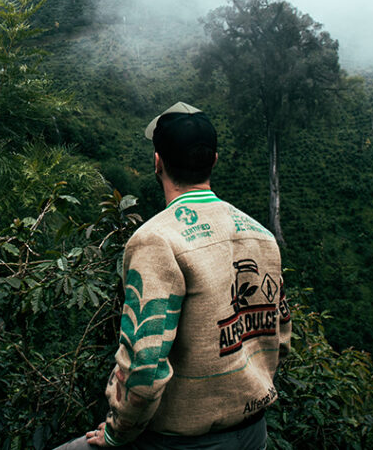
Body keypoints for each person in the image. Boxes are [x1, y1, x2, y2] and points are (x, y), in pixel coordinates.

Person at [54, 102, 291, 450]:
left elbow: (145, 367)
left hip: (184, 441)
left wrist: (115, 433)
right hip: (254, 434)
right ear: (213, 160)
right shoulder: (261, 236)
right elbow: (281, 338)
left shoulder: (156, 240)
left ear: (157, 161)